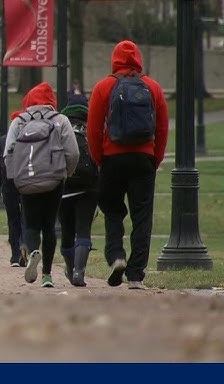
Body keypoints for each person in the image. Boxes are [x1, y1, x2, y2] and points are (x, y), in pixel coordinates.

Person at [87, 40, 169, 290]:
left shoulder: (104, 87)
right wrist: (155, 158)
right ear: (138, 60)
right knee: (142, 217)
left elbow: (93, 128)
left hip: (113, 158)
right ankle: (135, 274)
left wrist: (100, 159)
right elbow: (162, 127)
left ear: (114, 60)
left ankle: (116, 256)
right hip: (143, 158)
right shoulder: (152, 87)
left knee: (112, 210)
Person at [4, 82, 79, 288]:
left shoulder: (19, 121)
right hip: (53, 180)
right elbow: (73, 153)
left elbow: (8, 152)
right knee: (49, 226)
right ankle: (47, 275)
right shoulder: (60, 120)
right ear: (51, 101)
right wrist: (65, 173)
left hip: (26, 180)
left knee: (31, 223)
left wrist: (16, 177)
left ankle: (32, 251)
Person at [58, 102, 98, 287]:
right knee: (83, 229)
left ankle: (70, 266)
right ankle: (79, 272)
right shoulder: (90, 134)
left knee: (67, 231)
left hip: (64, 189)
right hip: (88, 189)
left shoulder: (59, 132)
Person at [0, 115, 26, 267]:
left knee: (13, 219)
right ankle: (25, 247)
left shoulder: (3, 141)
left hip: (9, 184)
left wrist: (2, 184)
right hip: (26, 183)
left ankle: (15, 254)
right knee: (26, 217)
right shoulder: (28, 139)